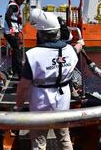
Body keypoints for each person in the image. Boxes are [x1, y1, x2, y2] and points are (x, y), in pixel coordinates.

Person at [15, 9, 84, 150]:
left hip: (41, 105)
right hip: (63, 103)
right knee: (64, 138)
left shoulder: (33, 55)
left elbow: (23, 86)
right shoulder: (70, 51)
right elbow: (75, 49)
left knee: (39, 143)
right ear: (58, 32)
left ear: (40, 33)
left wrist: (19, 105)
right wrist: (81, 43)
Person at [4, 0, 27, 78]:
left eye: (23, 0)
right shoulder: (13, 6)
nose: (22, 1)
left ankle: (15, 71)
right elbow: (7, 17)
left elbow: (12, 17)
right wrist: (11, 30)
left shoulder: (15, 6)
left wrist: (18, 21)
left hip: (13, 31)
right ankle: (20, 73)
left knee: (15, 50)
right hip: (11, 32)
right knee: (18, 51)